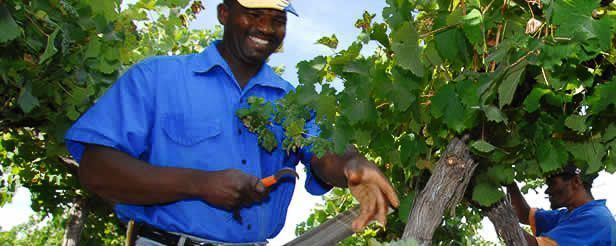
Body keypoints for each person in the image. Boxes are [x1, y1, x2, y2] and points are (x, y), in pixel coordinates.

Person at [64, 0, 400, 245]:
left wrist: (352, 165)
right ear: (224, 13)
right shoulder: (157, 78)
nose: (267, 28)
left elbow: (324, 155)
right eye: (254, 14)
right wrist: (200, 184)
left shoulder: (291, 99)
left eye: (277, 18)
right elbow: (96, 169)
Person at [506, 164, 616, 245]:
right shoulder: (566, 216)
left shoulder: (596, 218)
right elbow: (524, 215)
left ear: (576, 182)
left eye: (552, 184)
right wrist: (509, 182)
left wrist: (501, 217)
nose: (547, 191)